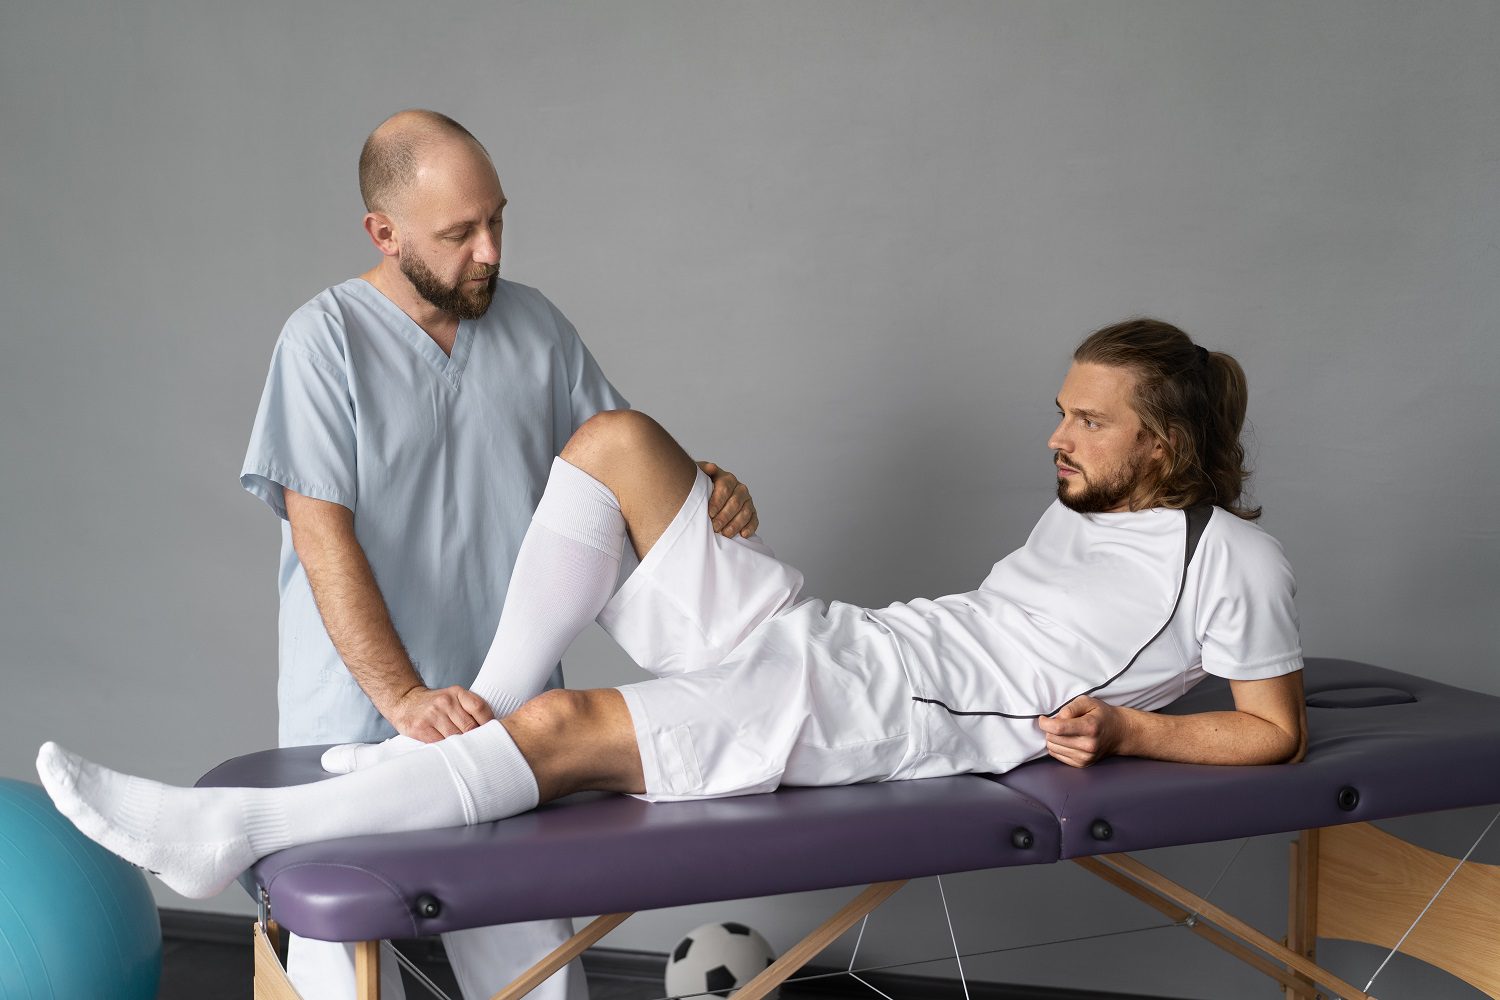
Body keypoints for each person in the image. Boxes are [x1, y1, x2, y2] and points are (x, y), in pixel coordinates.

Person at [40, 319, 1306, 926]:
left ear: (1166, 437)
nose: (1056, 435)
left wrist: (1132, 737)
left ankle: (224, 831)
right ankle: (445, 729)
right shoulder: (1082, 515)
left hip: (888, 713)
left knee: (567, 726)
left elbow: (1271, 733)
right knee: (618, 445)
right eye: (1060, 409)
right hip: (853, 647)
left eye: (1086, 420)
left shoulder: (1228, 555)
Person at [237, 109, 757, 1000]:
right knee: (342, 976)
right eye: (459, 233)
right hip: (358, 725)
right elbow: (322, 538)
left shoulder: (536, 329)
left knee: (536, 979)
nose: (489, 250)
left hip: (511, 721)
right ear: (384, 232)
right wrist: (402, 697)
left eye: (497, 221)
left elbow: (619, 469)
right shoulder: (321, 345)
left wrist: (705, 488)